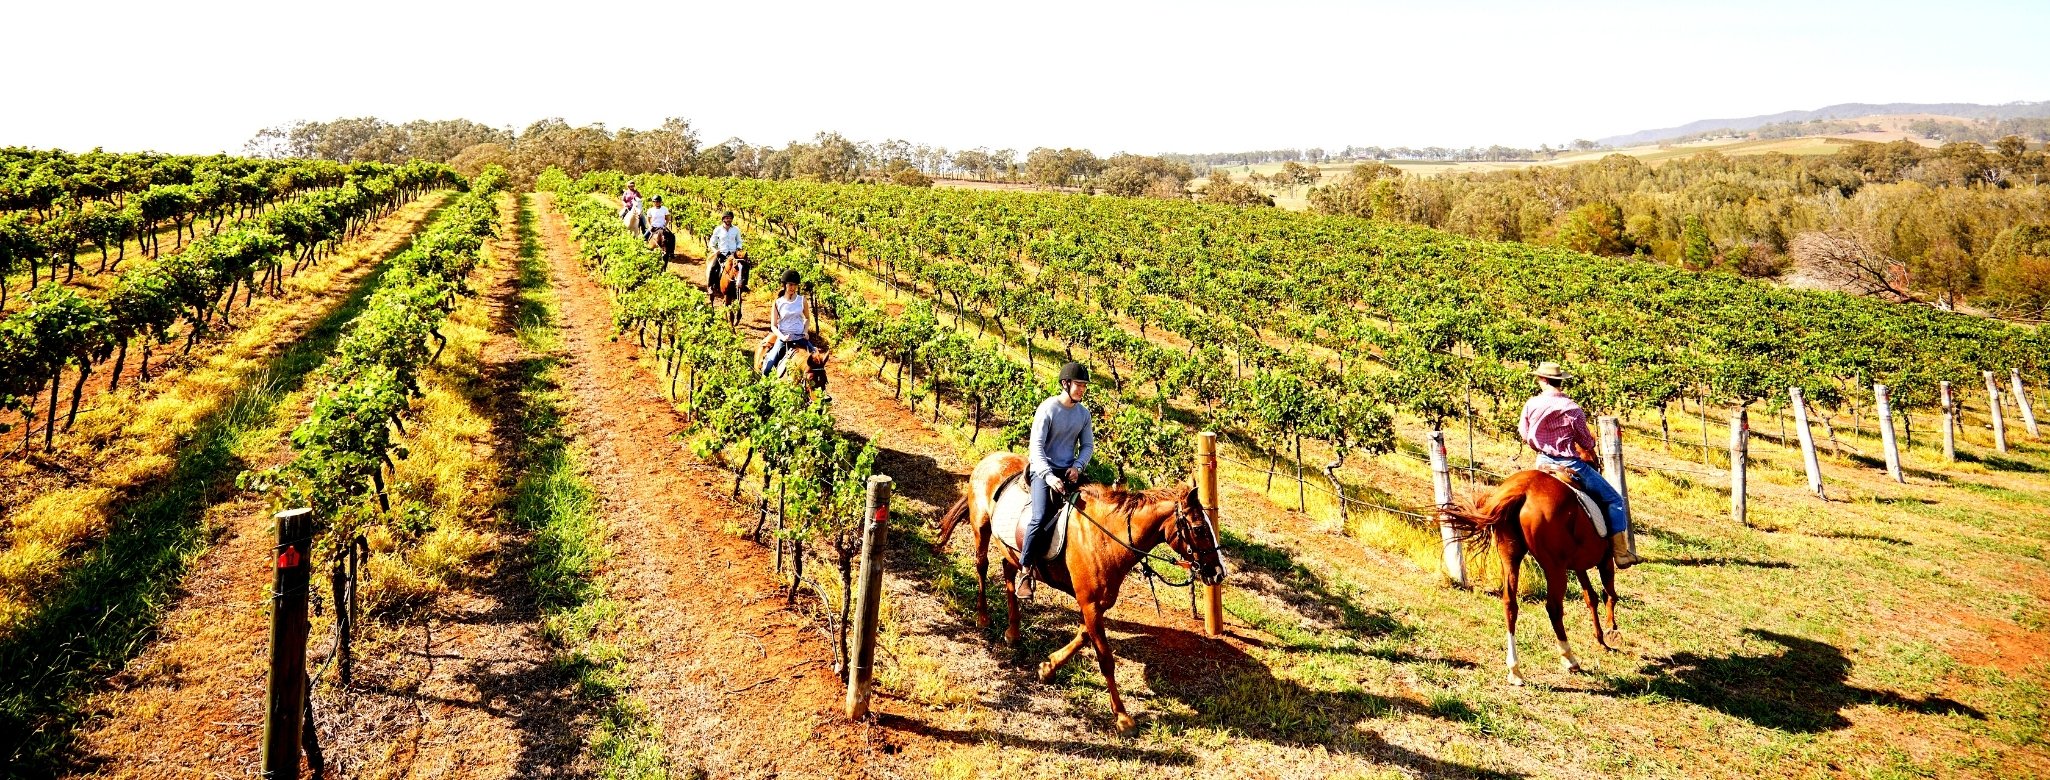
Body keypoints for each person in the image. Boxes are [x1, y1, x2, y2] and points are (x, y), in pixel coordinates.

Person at [1518, 361, 1641, 568]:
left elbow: (1524, 433)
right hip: (1570, 464)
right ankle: (1620, 553)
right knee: (1614, 500)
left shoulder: (1531, 404)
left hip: (1541, 462)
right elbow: (1585, 442)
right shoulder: (1572, 408)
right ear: (1559, 381)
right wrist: (1589, 444)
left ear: (1543, 380)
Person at [1017, 362, 1095, 597]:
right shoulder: (1048, 409)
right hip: (1043, 471)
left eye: (1084, 386)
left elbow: (1088, 445)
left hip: (1068, 471)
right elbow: (1036, 448)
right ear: (1065, 384)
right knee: (1039, 517)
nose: (1082, 390)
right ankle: (1025, 570)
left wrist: (1077, 466)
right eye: (1078, 385)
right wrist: (1049, 476)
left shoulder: (1083, 414)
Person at [759, 270, 815, 376]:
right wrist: (782, 337)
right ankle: (765, 388)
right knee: (768, 368)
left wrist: (805, 331)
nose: (793, 288)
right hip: (784, 338)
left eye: (795, 285)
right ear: (785, 285)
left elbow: (807, 318)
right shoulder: (777, 302)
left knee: (818, 363)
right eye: (790, 285)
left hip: (800, 337)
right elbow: (773, 326)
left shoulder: (802, 300)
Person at [708, 210, 746, 292]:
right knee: (713, 267)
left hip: (733, 255)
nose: (729, 220)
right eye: (727, 218)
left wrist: (738, 248)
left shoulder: (736, 229)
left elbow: (739, 241)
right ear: (723, 219)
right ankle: (710, 286)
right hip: (722, 254)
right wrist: (715, 250)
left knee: (743, 267)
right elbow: (712, 242)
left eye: (730, 218)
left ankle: (744, 285)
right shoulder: (718, 230)